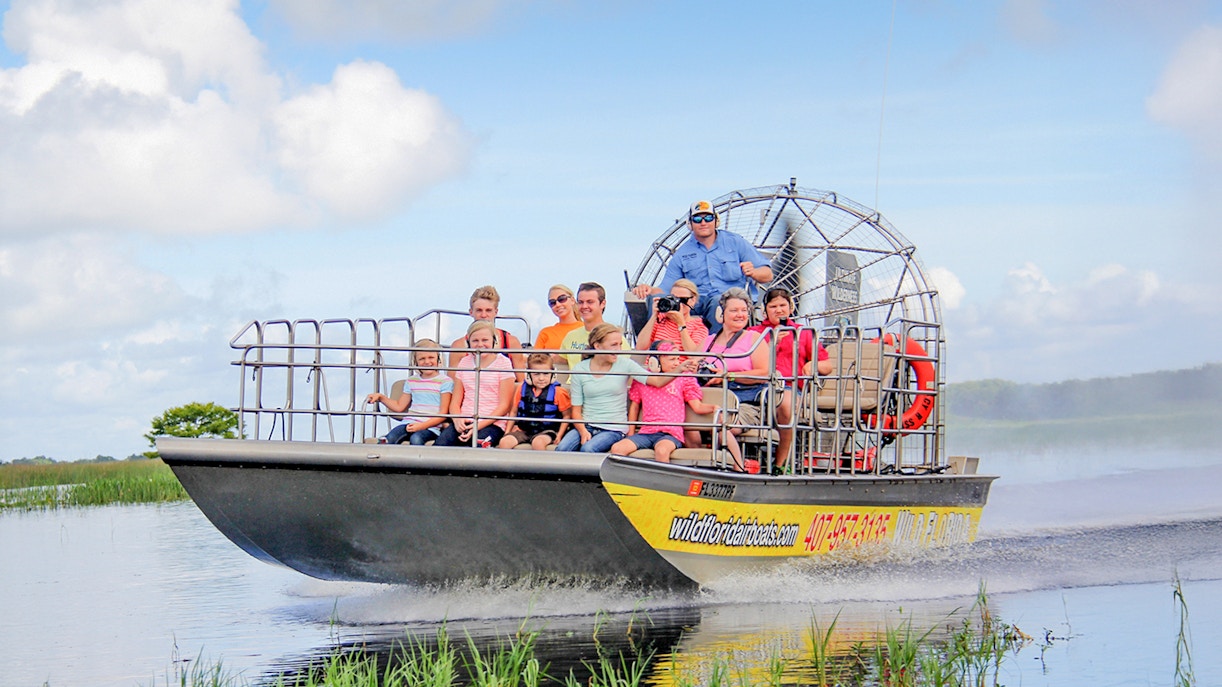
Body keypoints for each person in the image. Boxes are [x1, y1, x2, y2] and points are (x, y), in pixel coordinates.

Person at [631, 200, 773, 333]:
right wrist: (648, 290)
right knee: (658, 299)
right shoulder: (682, 253)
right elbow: (666, 288)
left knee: (719, 302)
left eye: (708, 218)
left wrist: (754, 272)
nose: (703, 223)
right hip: (695, 303)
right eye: (697, 219)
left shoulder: (735, 242)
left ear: (716, 221)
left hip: (728, 301)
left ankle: (717, 352)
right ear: (690, 224)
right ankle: (659, 349)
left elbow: (768, 274)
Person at [610, 341, 742, 467]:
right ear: (655, 360)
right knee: (617, 448)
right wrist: (631, 433)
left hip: (670, 434)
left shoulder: (683, 378)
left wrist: (713, 408)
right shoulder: (644, 379)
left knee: (662, 450)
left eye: (677, 359)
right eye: (672, 359)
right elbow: (634, 406)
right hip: (646, 432)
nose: (676, 363)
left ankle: (663, 486)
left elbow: (697, 406)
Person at [747, 287, 833, 464]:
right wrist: (771, 342)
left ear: (790, 308)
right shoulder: (754, 333)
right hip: (756, 384)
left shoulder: (804, 333)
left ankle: (781, 463)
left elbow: (827, 366)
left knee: (785, 405)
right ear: (765, 311)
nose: (778, 310)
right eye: (773, 306)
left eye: (782, 305)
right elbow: (745, 359)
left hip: (789, 387)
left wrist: (812, 364)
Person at [556, 323, 655, 453]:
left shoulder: (626, 364)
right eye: (614, 345)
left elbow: (656, 381)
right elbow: (576, 411)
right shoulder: (580, 369)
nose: (619, 350)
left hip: (614, 429)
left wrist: (680, 369)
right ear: (597, 346)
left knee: (588, 449)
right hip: (587, 425)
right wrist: (583, 431)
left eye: (620, 344)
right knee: (562, 449)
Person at [435, 321, 516, 447]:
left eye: (485, 340)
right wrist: (457, 420)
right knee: (440, 445)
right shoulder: (464, 363)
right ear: (469, 343)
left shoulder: (503, 363)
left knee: (477, 447)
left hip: (492, 424)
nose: (480, 344)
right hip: (464, 420)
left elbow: (504, 405)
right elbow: (455, 402)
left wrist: (478, 425)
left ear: (493, 341)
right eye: (475, 341)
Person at [364, 339, 452, 445]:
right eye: (422, 359)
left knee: (416, 439)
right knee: (391, 437)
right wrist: (381, 398)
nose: (427, 362)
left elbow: (443, 413)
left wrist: (422, 426)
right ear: (415, 362)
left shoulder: (445, 381)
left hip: (430, 427)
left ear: (438, 359)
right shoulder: (411, 381)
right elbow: (399, 407)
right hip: (409, 422)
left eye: (431, 357)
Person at [448, 285, 526, 381]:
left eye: (488, 310)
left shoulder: (511, 342)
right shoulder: (458, 346)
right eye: (479, 310)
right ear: (471, 312)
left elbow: (521, 382)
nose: (484, 315)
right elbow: (452, 383)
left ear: (496, 312)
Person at [498, 352, 572, 450]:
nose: (541, 378)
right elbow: (514, 412)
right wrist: (507, 431)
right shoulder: (521, 389)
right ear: (529, 375)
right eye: (536, 374)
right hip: (524, 430)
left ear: (553, 374)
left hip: (547, 431)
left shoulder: (559, 392)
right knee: (504, 442)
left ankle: (542, 465)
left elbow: (566, 416)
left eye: (546, 374)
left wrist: (559, 435)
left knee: (538, 443)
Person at [560, 282, 629, 367]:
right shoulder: (570, 336)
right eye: (581, 302)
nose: (584, 306)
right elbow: (556, 361)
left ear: (603, 304)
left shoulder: (616, 338)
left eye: (590, 302)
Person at [634, 278, 709, 355]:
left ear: (693, 300)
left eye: (682, 300)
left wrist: (681, 324)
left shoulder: (699, 326)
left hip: (682, 365)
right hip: (657, 365)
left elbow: (693, 355)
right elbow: (640, 347)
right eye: (673, 298)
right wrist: (654, 316)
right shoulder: (661, 319)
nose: (678, 303)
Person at [533, 284, 584, 364]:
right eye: (552, 302)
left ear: (572, 300)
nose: (558, 304)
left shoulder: (586, 329)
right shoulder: (545, 333)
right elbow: (535, 361)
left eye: (562, 299)